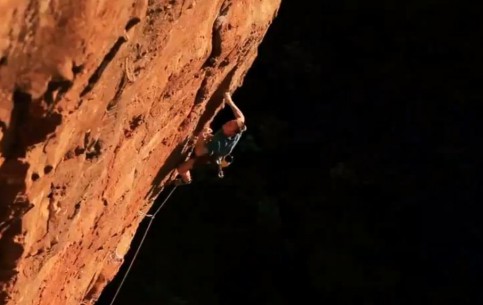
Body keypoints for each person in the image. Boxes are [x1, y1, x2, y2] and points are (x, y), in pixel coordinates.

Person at [176, 91, 246, 184]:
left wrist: (201, 137)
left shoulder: (218, 142)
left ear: (232, 132)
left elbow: (199, 152)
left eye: (229, 125)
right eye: (231, 121)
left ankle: (186, 180)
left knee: (181, 169)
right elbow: (240, 117)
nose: (227, 122)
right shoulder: (237, 129)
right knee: (207, 135)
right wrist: (229, 101)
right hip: (217, 147)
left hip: (210, 156)